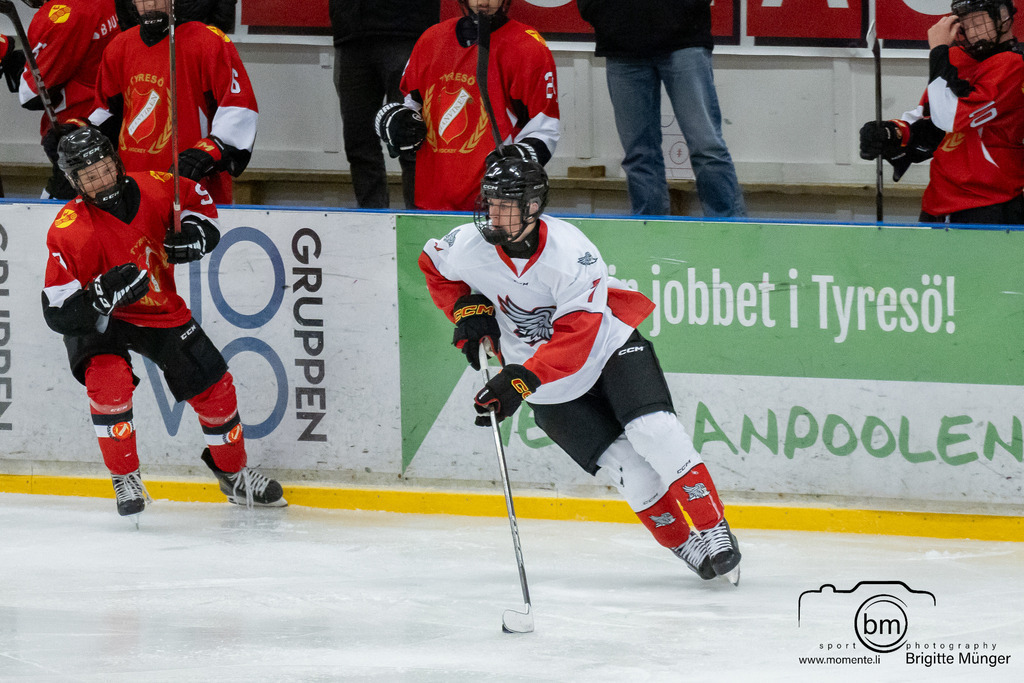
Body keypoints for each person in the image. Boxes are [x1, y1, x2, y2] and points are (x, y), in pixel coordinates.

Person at [418, 157, 742, 584]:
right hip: (544, 382)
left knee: (655, 431)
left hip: (607, 349)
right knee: (627, 466)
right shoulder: (467, 245)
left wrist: (518, 380)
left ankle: (712, 526)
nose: (493, 214)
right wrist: (466, 308)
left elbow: (578, 335)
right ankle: (684, 543)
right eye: (490, 202)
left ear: (533, 208)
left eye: (506, 205)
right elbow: (434, 266)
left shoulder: (572, 253)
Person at [40, 127, 285, 518]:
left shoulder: (157, 187)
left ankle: (233, 474)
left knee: (214, 386)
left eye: (104, 169)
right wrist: (99, 297)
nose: (101, 180)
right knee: (108, 380)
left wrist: (198, 235)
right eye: (89, 176)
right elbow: (57, 311)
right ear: (75, 183)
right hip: (103, 318)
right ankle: (125, 477)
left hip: (158, 308)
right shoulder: (69, 230)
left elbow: (199, 205)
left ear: (116, 162)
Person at [375, 0, 559, 211]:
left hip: (495, 206)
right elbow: (412, 102)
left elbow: (544, 127)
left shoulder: (527, 46)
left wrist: (517, 159)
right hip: (431, 201)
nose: (483, 1)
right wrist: (399, 121)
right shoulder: (431, 39)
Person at [576, 0, 746, 218]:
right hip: (621, 46)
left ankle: (730, 228)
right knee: (638, 154)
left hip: (685, 41)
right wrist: (607, 17)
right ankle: (650, 230)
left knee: (706, 146)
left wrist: (682, 12)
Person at [860, 0, 1024, 224]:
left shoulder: (1014, 66)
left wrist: (938, 51)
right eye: (967, 24)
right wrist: (893, 133)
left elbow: (950, 118)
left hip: (990, 205)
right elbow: (929, 120)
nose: (972, 31)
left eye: (978, 22)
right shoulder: (957, 58)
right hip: (937, 203)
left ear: (1003, 17)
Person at [89, 0, 258, 205]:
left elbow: (238, 107)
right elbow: (107, 112)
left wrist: (208, 152)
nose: (151, 3)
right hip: (134, 188)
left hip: (194, 189)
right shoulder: (119, 46)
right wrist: (81, 130)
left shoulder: (207, 41)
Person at [329, 0, 438, 209]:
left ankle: (420, 220)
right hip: (351, 32)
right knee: (358, 142)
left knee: (413, 139)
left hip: (407, 30)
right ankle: (371, 217)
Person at [13, 0, 120, 200]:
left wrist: (21, 67)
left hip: (77, 127)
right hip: (111, 116)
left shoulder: (62, 14)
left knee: (62, 207)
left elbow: (30, 95)